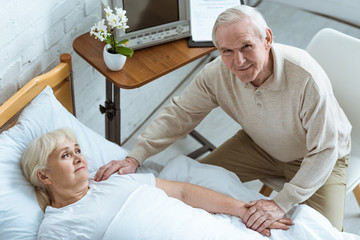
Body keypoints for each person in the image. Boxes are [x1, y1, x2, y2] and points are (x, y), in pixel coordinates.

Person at [94, 5, 352, 233]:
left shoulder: (305, 78)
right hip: (259, 146)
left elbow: (326, 149)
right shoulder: (217, 73)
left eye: (246, 47)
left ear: (268, 39)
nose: (238, 61)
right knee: (191, 188)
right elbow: (181, 114)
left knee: (325, 234)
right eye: (226, 51)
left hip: (317, 156)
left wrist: (280, 203)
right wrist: (134, 156)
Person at [21, 128, 292, 239]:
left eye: (78, 150)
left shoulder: (112, 181)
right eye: (66, 155)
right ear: (44, 176)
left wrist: (244, 210)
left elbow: (183, 192)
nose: (79, 157)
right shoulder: (57, 226)